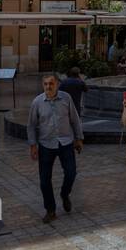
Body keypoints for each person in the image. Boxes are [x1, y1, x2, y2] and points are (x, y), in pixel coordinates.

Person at [26, 73, 84, 223]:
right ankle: (50, 210)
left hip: (65, 142)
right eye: (45, 84)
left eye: (51, 84)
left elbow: (74, 119)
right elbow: (31, 125)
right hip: (46, 144)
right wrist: (33, 145)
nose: (48, 87)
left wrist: (79, 138)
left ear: (57, 84)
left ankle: (65, 194)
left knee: (71, 173)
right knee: (44, 180)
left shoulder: (66, 98)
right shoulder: (37, 102)